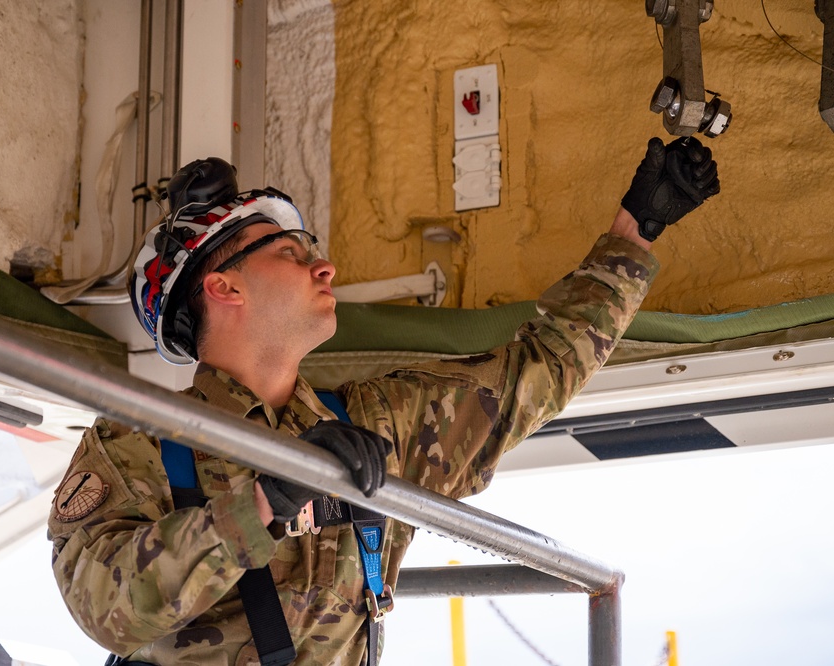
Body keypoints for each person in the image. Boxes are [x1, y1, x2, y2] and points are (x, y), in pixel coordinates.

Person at [47, 136, 720, 665]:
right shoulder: (137, 443)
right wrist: (262, 501)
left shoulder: (376, 425)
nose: (325, 266)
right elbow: (103, 605)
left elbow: (535, 373)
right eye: (288, 249)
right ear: (224, 288)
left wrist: (637, 231)